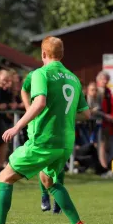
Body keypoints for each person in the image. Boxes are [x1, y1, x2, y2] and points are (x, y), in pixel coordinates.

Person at [0, 36, 91, 224]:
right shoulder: (73, 78)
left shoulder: (41, 73)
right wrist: (62, 114)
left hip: (45, 139)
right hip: (65, 142)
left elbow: (39, 102)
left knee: (5, 176)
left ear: (43, 54)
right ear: (62, 54)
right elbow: (86, 114)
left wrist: (17, 126)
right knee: (48, 180)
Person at [21, 70, 64, 214]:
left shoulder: (63, 75)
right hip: (39, 125)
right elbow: (24, 90)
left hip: (57, 124)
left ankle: (58, 199)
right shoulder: (35, 74)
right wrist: (29, 109)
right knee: (43, 161)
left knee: (58, 163)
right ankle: (45, 195)